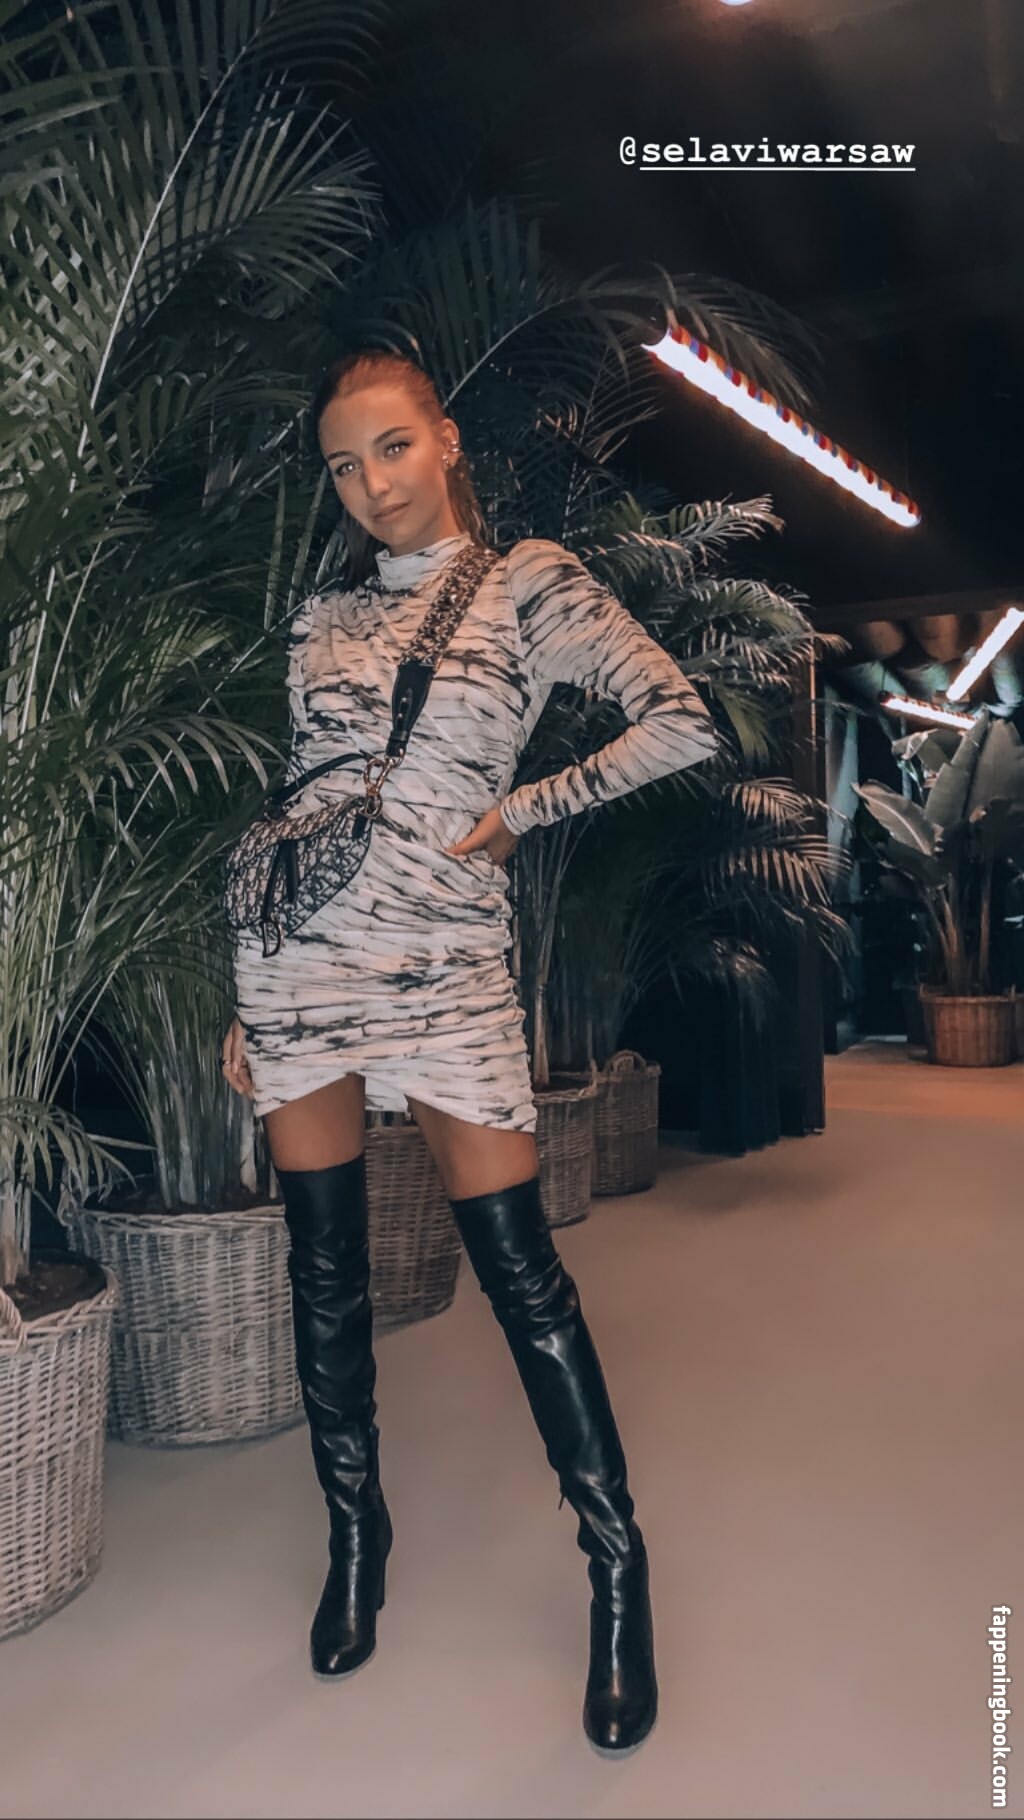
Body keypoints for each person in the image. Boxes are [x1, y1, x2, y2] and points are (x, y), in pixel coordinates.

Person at [221, 347, 720, 1752]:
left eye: (391, 447)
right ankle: (356, 1537)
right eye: (343, 464)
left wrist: (523, 811)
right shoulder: (319, 619)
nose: (370, 484)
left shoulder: (527, 583)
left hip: (447, 969)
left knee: (522, 1278)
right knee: (324, 1275)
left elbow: (680, 721)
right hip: (300, 967)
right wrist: (248, 994)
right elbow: (302, 802)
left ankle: (615, 1570)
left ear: (443, 440)